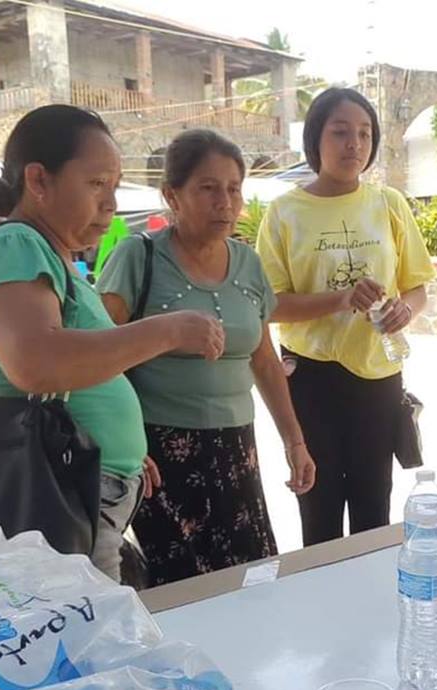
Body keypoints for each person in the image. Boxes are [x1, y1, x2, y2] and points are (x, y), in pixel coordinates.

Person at [0, 104, 224, 582]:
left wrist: (116, 447)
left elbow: (77, 373)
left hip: (82, 483)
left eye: (114, 186)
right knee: (89, 624)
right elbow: (36, 363)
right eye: (97, 183)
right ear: (39, 180)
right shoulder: (15, 245)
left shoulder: (50, 254)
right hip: (56, 495)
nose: (111, 203)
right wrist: (168, 330)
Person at [98, 129, 315, 587]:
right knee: (180, 588)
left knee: (252, 581)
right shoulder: (138, 257)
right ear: (171, 195)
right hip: (159, 455)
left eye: (234, 189)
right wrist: (123, 444)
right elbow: (98, 355)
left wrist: (294, 441)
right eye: (208, 188)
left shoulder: (248, 263)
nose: (225, 202)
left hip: (237, 452)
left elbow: (264, 361)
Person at [256, 88, 436, 546]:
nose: (354, 143)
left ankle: (370, 590)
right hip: (310, 379)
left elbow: (417, 289)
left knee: (374, 508)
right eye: (340, 132)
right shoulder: (284, 212)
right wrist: (340, 300)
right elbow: (270, 304)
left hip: (379, 377)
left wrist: (404, 309)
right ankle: (324, 591)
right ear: (315, 139)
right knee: (318, 511)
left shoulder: (389, 204)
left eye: (364, 133)